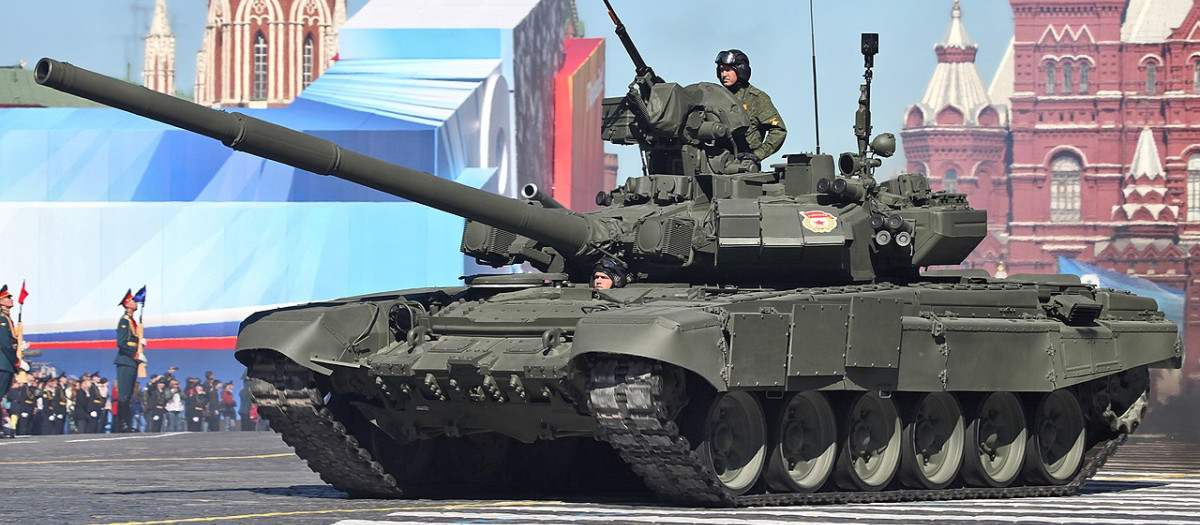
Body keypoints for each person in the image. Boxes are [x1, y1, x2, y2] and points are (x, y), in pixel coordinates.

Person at [715, 49, 787, 167]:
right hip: (716, 163)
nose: (724, 74)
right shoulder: (715, 97)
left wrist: (757, 154)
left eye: (728, 70)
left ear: (740, 70)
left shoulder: (756, 98)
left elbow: (779, 130)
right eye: (721, 70)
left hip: (743, 167)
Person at [114, 289, 144, 433]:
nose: (136, 302)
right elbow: (121, 342)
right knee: (124, 394)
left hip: (131, 361)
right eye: (133, 300)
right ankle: (122, 424)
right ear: (127, 304)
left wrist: (141, 343)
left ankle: (127, 422)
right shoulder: (124, 321)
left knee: (129, 394)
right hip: (126, 360)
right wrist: (135, 354)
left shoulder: (132, 321)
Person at [0, 285, 21, 438]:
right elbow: (5, 343)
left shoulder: (6, 318)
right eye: (8, 297)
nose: (11, 299)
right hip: (3, 362)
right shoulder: (2, 318)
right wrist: (15, 361)